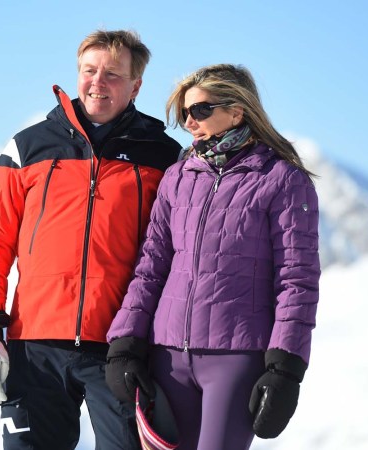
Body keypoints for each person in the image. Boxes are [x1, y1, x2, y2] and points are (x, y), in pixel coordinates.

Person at [0, 29, 182, 450]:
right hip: (35, 346)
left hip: (119, 346)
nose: (98, 82)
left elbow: (172, 253)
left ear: (136, 86)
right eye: (89, 70)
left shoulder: (161, 156)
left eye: (113, 74)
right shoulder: (28, 147)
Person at [105, 64, 320, 450]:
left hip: (236, 358)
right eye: (185, 112)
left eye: (201, 110)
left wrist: (285, 368)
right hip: (167, 355)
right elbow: (151, 266)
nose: (190, 121)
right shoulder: (178, 177)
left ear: (237, 111)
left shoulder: (282, 180)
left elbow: (297, 280)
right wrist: (125, 342)